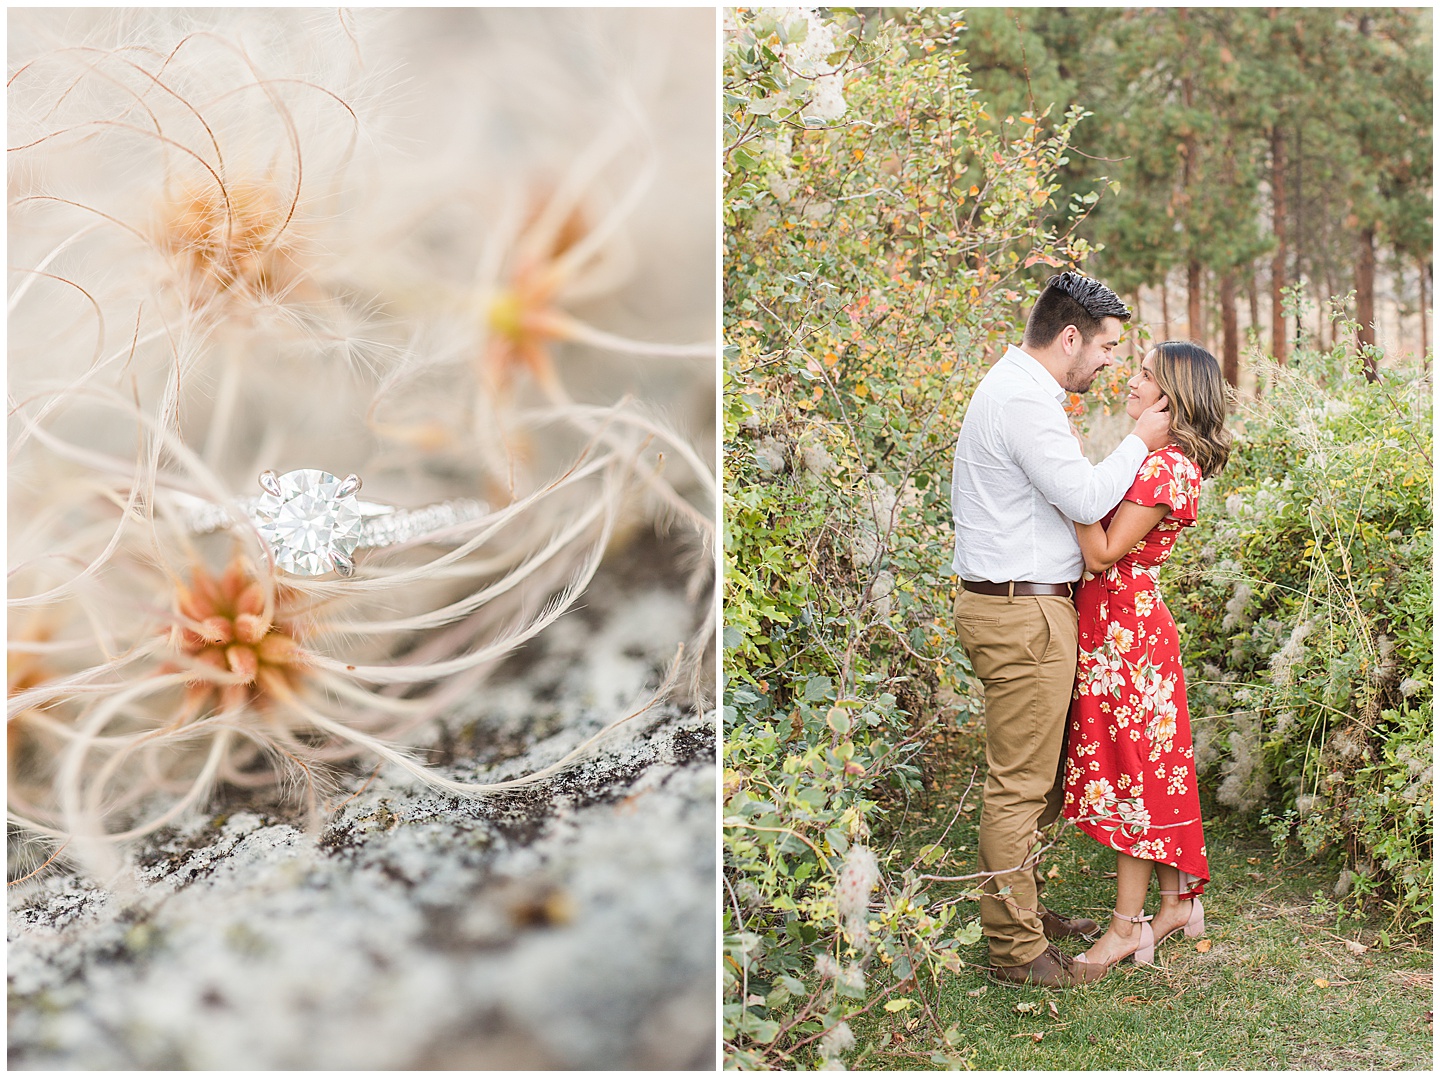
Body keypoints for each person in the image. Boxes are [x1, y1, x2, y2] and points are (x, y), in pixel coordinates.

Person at [950, 272, 1172, 988]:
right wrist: (1140, 440)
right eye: (1107, 347)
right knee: (1020, 786)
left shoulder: (1026, 393)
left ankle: (1023, 909)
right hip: (1021, 613)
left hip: (1028, 607)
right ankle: (1016, 954)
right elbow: (1081, 495)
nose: (1111, 362)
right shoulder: (1021, 399)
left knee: (1039, 783)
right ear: (1070, 336)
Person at [1064, 340, 1231, 970]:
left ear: (1170, 396)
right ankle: (1176, 902)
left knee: (1132, 775)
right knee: (1150, 769)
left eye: (1144, 375)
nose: (1130, 381)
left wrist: (1069, 486)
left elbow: (1102, 551)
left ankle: (1126, 927)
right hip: (1119, 629)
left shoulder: (1164, 467)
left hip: (1125, 635)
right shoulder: (1163, 459)